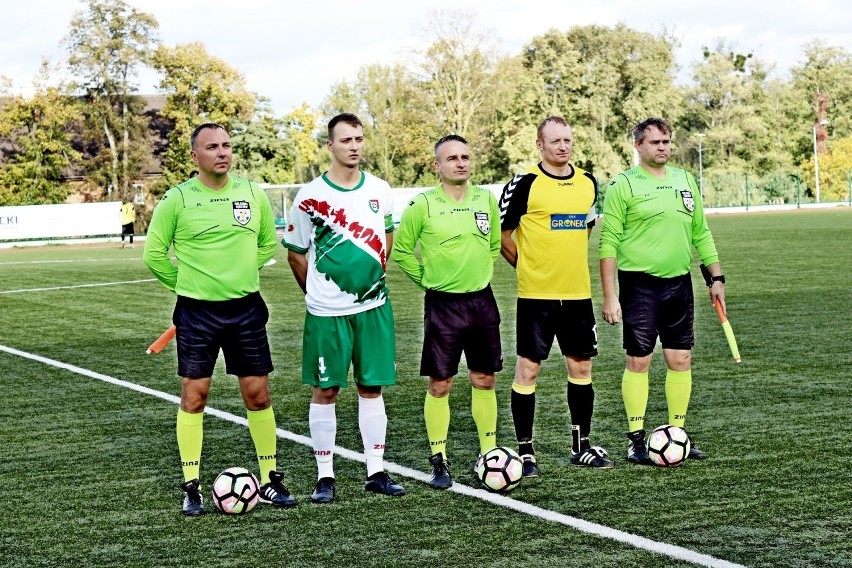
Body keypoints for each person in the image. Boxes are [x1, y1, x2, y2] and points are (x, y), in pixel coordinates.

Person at [143, 122, 296, 515]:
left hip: (246, 309)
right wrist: (190, 284)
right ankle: (191, 486)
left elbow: (265, 243)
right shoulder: (177, 199)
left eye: (227, 145)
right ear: (195, 156)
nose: (222, 152)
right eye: (212, 147)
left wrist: (242, 272)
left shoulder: (250, 193)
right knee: (195, 397)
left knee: (257, 395)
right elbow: (155, 254)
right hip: (197, 313)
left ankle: (270, 480)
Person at [282, 112, 405, 504]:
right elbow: (297, 256)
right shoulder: (309, 196)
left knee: (372, 388)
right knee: (326, 390)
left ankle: (376, 471)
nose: (354, 146)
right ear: (330, 145)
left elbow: (386, 240)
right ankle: (325, 476)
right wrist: (318, 294)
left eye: (359, 139)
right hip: (326, 314)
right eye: (346, 140)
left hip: (373, 308)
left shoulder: (381, 190)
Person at [599, 117, 721, 464]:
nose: (663, 147)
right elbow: (608, 243)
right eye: (655, 142)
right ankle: (636, 439)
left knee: (680, 359)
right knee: (639, 360)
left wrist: (717, 278)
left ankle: (677, 432)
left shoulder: (685, 180)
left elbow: (701, 232)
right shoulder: (623, 185)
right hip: (639, 286)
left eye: (667, 142)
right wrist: (610, 296)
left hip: (679, 284)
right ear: (638, 146)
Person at [499, 116, 613, 477]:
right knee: (528, 370)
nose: (563, 146)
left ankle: (581, 446)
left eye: (567, 139)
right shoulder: (524, 184)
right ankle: (526, 452)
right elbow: (503, 237)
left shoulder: (588, 183)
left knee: (581, 367)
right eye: (555, 141)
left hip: (578, 295)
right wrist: (530, 268)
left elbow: (586, 229)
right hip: (536, 296)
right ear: (540, 145)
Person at [392, 134, 503, 490]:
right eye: (452, 158)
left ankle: (489, 452)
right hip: (443, 305)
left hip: (482, 302)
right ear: (437, 166)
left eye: (465, 156)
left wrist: (476, 274)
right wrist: (428, 281)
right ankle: (439, 459)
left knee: (485, 379)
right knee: (441, 383)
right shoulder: (422, 205)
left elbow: (494, 246)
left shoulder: (486, 199)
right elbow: (403, 251)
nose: (461, 162)